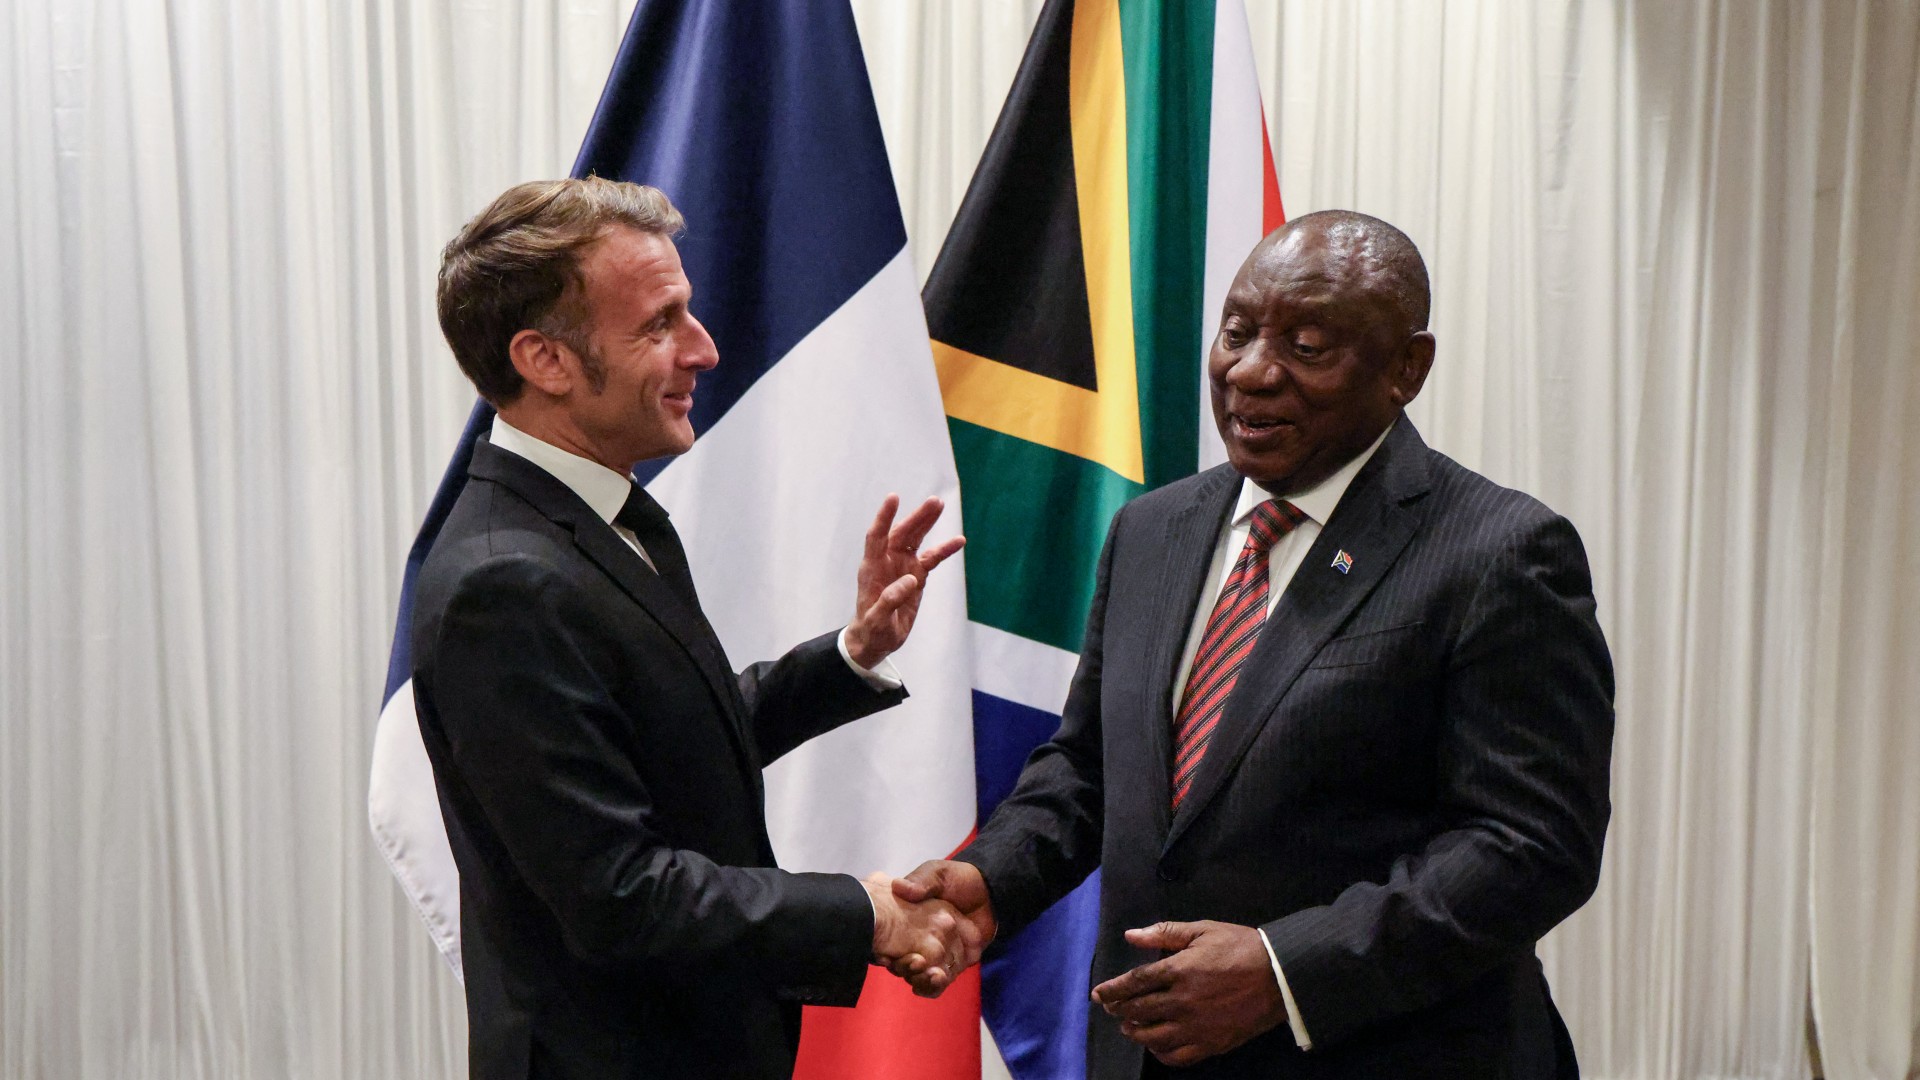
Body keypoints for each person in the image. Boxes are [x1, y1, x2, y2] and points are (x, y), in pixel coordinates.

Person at [895, 211, 1615, 1078]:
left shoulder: (1498, 550)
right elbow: (1088, 768)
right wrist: (994, 878)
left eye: (1308, 347)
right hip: (1147, 1055)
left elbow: (1531, 844)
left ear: (1405, 369)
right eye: (1236, 334)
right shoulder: (1151, 531)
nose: (1251, 371)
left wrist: (1284, 971)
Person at [410, 177, 976, 1080]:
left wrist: (851, 654)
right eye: (661, 323)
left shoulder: (597, 518)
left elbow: (669, 738)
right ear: (545, 360)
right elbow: (618, 894)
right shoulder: (502, 583)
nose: (706, 350)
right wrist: (865, 914)